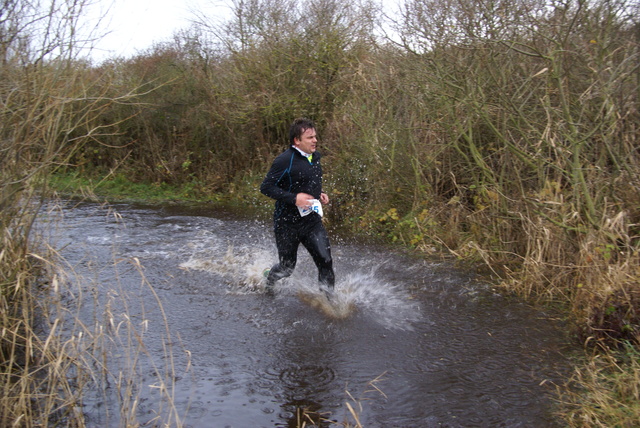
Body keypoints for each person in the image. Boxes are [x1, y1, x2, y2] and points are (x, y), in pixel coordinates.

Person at [260, 118, 335, 294]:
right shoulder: (284, 160)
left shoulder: (315, 156)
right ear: (297, 140)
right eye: (310, 137)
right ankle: (269, 280)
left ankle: (330, 304)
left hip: (311, 222)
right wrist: (294, 199)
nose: (315, 140)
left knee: (326, 261)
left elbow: (307, 181)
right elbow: (266, 187)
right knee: (287, 268)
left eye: (315, 136)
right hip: (287, 224)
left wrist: (319, 193)